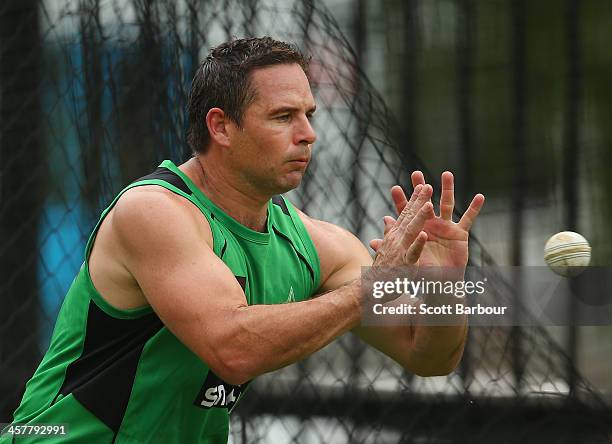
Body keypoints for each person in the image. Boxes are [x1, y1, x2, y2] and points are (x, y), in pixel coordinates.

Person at [6, 37, 484, 443]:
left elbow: (427, 355)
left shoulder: (316, 245)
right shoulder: (153, 211)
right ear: (221, 127)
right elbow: (233, 350)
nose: (309, 134)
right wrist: (366, 291)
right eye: (283, 117)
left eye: (308, 114)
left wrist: (445, 285)